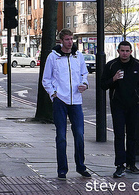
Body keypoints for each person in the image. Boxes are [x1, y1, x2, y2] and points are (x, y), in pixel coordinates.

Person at [41, 29, 91, 180]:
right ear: (61, 41)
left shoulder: (78, 56)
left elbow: (84, 74)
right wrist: (53, 94)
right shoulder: (53, 57)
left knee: (80, 135)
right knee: (61, 136)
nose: (70, 42)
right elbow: (46, 79)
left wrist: (84, 84)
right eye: (67, 39)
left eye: (71, 39)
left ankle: (81, 167)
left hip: (76, 101)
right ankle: (62, 170)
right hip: (60, 101)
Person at [100, 40, 139, 178]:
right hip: (118, 106)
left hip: (133, 105)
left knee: (132, 136)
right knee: (119, 136)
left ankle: (131, 164)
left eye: (127, 51)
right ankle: (119, 165)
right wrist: (114, 79)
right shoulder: (111, 65)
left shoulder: (138, 65)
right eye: (122, 51)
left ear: (131, 52)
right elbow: (103, 85)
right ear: (118, 51)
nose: (125, 53)